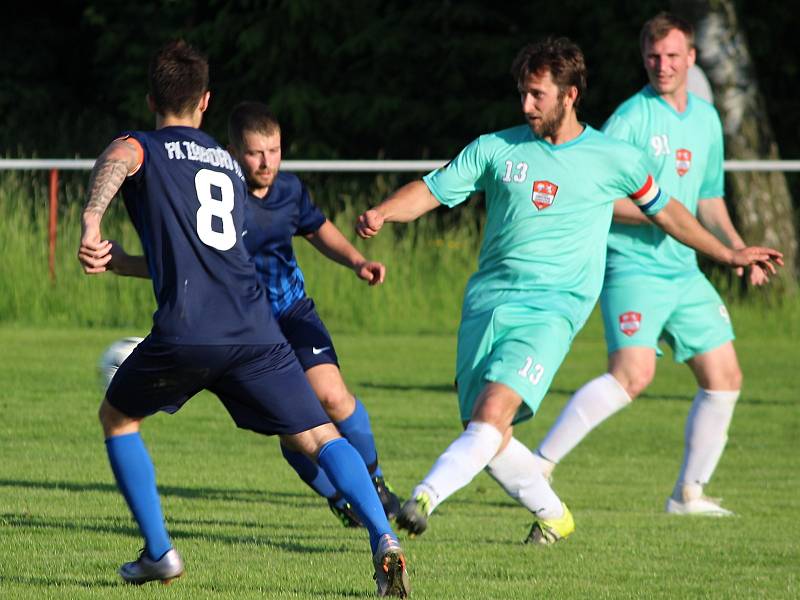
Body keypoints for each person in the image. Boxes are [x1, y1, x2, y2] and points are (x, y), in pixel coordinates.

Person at [355, 37, 781, 544]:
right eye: (523, 93)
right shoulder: (496, 148)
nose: (526, 105)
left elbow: (667, 212)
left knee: (493, 414)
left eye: (537, 94)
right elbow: (430, 190)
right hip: (487, 305)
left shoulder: (613, 157)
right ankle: (555, 515)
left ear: (570, 94)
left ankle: (424, 497)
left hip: (553, 309)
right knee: (488, 432)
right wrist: (384, 211)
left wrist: (728, 253)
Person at [77, 40, 409, 597]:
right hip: (257, 331)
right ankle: (382, 537)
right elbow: (207, 258)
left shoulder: (143, 146)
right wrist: (126, 263)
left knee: (118, 416)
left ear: (150, 98)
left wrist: (91, 221)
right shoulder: (226, 168)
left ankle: (159, 553)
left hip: (188, 331)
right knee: (321, 435)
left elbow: (120, 158)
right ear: (205, 101)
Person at [107, 101, 402, 528]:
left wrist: (357, 261)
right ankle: (341, 498)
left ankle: (374, 483)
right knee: (294, 434)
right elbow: (176, 262)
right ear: (232, 151)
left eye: (275, 151)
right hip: (246, 325)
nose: (267, 163)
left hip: (291, 311)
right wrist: (123, 262)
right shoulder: (218, 193)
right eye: (255, 153)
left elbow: (318, 229)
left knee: (332, 396)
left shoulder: (289, 191)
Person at [532, 13, 768, 517]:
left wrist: (737, 250)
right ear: (644, 59)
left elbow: (708, 198)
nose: (663, 66)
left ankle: (687, 495)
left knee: (725, 375)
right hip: (633, 267)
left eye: (673, 56)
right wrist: (657, 216)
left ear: (692, 59)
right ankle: (540, 465)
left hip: (684, 270)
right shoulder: (631, 119)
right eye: (654, 57)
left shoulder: (706, 118)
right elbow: (599, 194)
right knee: (632, 375)